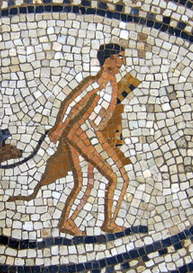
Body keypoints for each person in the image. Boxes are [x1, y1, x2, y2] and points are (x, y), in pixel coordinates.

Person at [47, 43, 130, 236]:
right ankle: (110, 223)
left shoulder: (111, 82)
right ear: (109, 60)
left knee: (85, 182)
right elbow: (71, 104)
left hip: (84, 132)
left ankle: (68, 222)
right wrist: (59, 128)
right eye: (120, 57)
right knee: (119, 178)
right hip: (85, 131)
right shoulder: (97, 82)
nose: (123, 62)